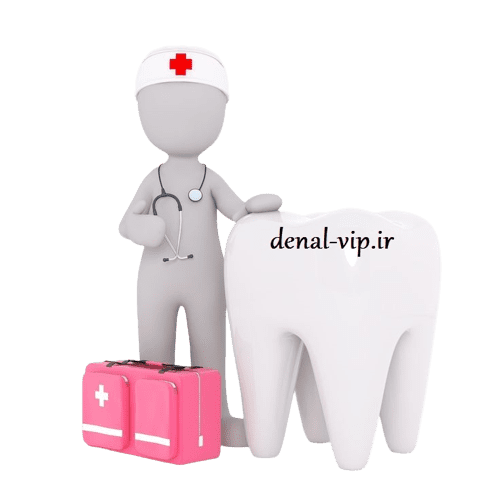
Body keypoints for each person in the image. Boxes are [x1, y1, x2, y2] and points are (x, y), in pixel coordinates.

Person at [118, 46, 282, 447]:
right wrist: (143, 227)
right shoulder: (153, 179)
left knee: (209, 352)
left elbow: (237, 211)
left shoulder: (210, 178)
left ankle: (215, 422)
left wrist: (256, 210)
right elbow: (125, 223)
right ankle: (157, 424)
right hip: (155, 282)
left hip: (207, 281)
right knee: (154, 355)